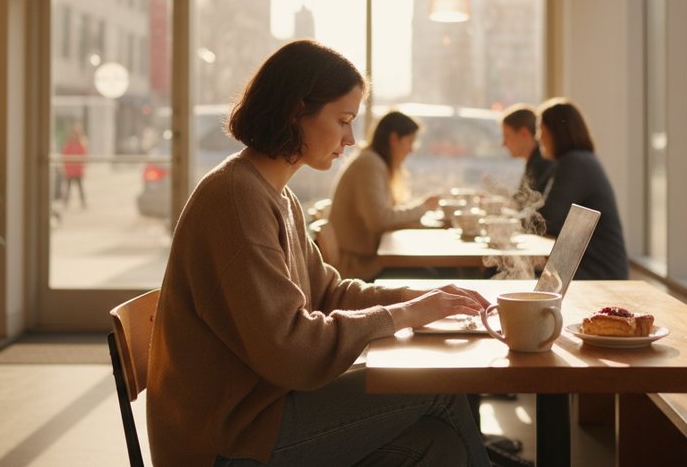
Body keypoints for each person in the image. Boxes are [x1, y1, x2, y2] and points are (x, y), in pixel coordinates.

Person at [146, 40, 491, 467]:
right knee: (439, 388)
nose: (350, 138)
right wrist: (403, 316)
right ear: (296, 112)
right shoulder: (237, 199)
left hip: (260, 411)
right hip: (228, 438)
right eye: (344, 120)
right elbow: (290, 349)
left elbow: (329, 292)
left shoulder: (276, 195)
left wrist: (417, 300)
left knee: (435, 440)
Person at [328, 111, 440, 281]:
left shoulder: (372, 161)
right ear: (394, 138)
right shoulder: (369, 163)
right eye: (410, 142)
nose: (411, 150)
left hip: (366, 259)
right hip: (359, 266)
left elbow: (384, 213)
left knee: (431, 272)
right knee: (432, 276)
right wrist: (423, 208)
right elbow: (379, 219)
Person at [535, 98, 629, 280]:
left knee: (512, 277)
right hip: (591, 265)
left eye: (541, 129)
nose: (538, 137)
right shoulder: (578, 161)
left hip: (597, 272)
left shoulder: (575, 164)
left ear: (556, 132)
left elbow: (547, 221)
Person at [500, 104, 554, 203]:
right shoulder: (533, 161)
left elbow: (529, 210)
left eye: (507, 135)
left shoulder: (542, 164)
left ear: (524, 133)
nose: (503, 144)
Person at [61, 124, 87, 208]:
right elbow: (65, 157)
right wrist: (65, 168)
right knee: (68, 189)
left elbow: (83, 158)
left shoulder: (81, 144)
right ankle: (66, 203)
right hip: (70, 170)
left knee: (80, 188)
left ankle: (83, 203)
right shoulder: (68, 144)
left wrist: (82, 169)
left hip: (78, 171)